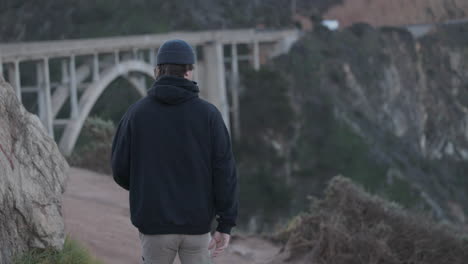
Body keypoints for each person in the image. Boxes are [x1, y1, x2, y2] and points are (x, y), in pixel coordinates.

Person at [111, 39, 239, 264]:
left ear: (158, 71)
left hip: (154, 226)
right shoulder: (209, 115)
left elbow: (119, 169)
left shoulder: (136, 114)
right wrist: (225, 223)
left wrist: (147, 188)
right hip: (197, 226)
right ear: (189, 72)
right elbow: (224, 173)